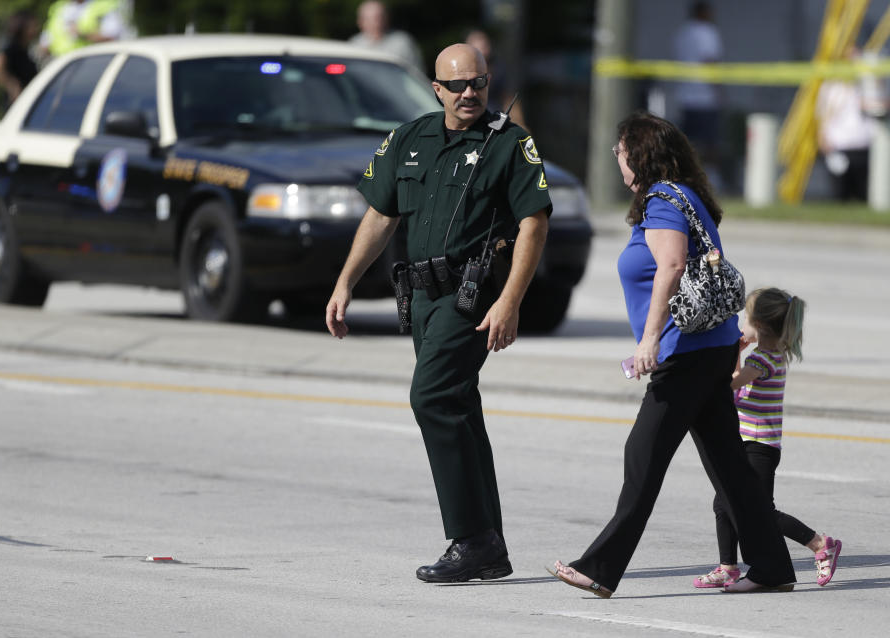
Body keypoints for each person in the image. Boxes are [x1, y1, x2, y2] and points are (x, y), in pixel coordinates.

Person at [325, 43, 551, 583]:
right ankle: (488, 543)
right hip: (422, 297)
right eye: (457, 85)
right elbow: (380, 216)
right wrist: (345, 282)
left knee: (430, 396)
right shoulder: (409, 138)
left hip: (471, 297)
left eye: (478, 83)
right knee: (459, 407)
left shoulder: (510, 145)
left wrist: (510, 300)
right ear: (437, 88)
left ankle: (470, 538)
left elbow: (534, 225)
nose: (469, 93)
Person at [548, 111, 795, 597]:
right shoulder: (687, 196)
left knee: (642, 456)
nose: (617, 161)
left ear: (638, 156)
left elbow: (673, 265)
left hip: (685, 353)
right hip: (713, 349)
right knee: (729, 467)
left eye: (619, 153)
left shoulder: (661, 199)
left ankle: (601, 568)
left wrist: (649, 341)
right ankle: (772, 567)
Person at [693, 287, 843, 590]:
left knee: (758, 511)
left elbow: (729, 389)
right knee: (724, 503)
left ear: (759, 325)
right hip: (751, 443)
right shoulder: (768, 354)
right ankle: (728, 567)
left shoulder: (761, 360)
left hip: (759, 447)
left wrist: (730, 352)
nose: (741, 325)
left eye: (745, 318)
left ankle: (819, 543)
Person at [816, 47, 875, 202]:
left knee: (864, 195)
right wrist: (823, 142)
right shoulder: (830, 87)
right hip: (839, 147)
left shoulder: (867, 86)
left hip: (864, 147)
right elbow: (822, 118)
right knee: (840, 196)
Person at [673, 1, 723, 183]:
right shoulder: (707, 32)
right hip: (705, 95)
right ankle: (712, 178)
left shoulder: (682, 33)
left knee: (688, 140)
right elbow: (710, 61)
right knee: (710, 141)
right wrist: (718, 88)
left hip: (685, 95)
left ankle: (685, 174)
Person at [464, 29, 525, 128]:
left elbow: (508, 98)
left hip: (495, 120)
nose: (482, 50)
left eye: (484, 45)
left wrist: (520, 124)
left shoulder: (499, 69)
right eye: (477, 45)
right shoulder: (461, 71)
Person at [348, 1, 423, 72]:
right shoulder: (354, 45)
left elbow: (416, 73)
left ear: (387, 18)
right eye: (369, 19)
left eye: (378, 17)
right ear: (360, 22)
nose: (375, 23)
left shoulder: (402, 43)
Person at [39, 0, 127, 59]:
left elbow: (112, 37)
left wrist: (82, 35)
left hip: (92, 62)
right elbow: (45, 44)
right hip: (63, 66)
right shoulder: (58, 8)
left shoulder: (102, 5)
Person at [0, 10, 40, 109]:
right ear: (22, 27)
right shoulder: (13, 48)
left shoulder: (26, 49)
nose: (36, 28)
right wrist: (12, 86)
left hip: (28, 105)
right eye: (32, 26)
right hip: (16, 106)